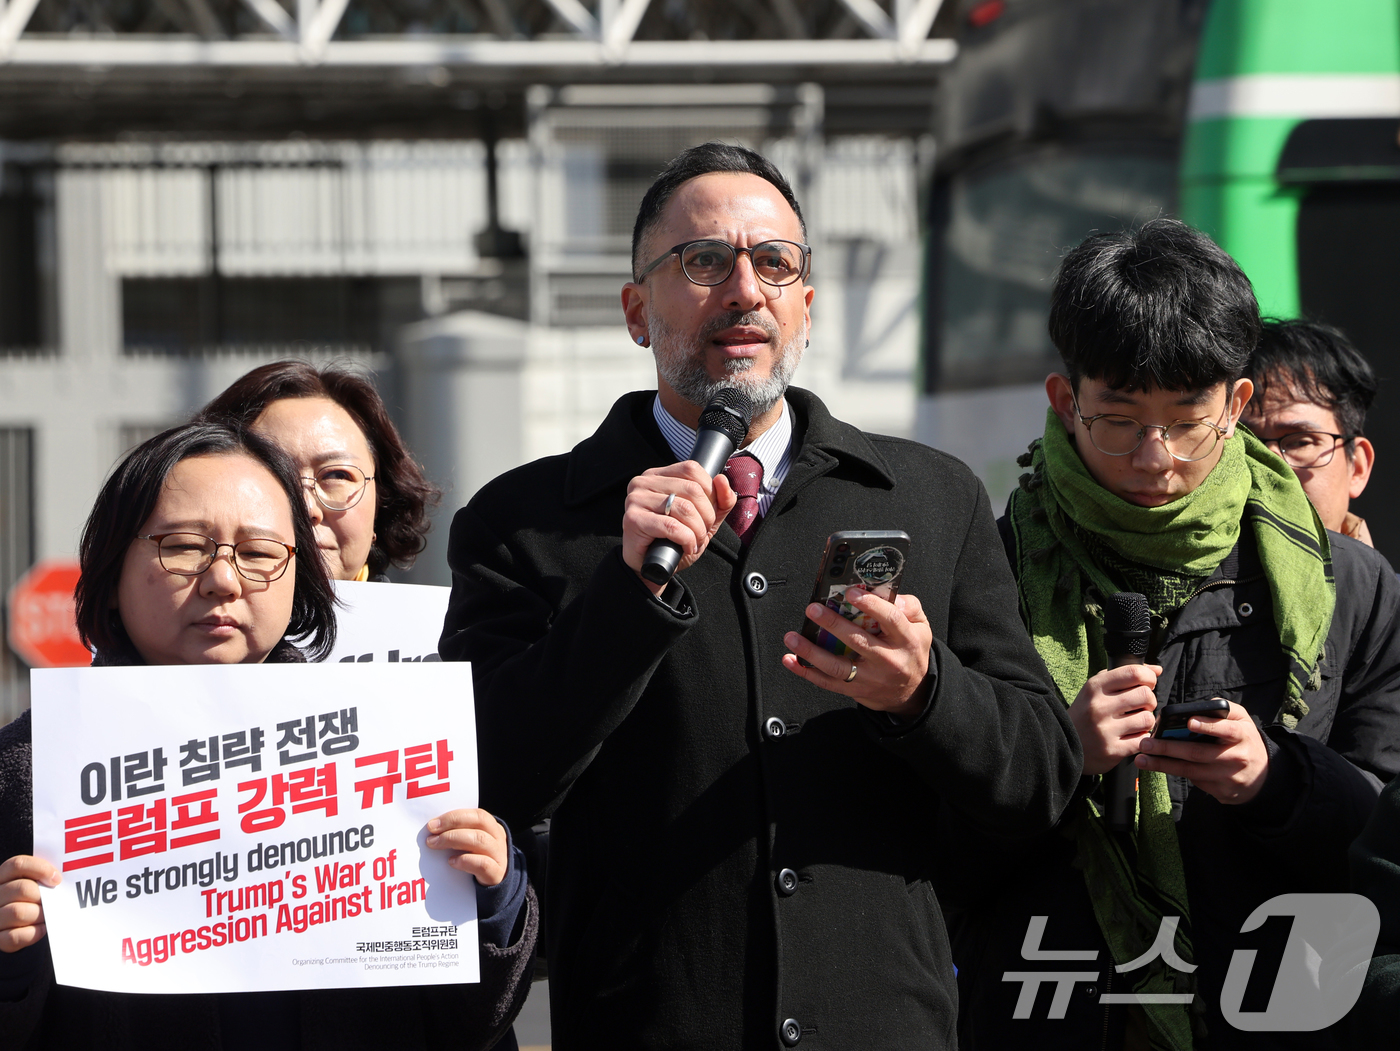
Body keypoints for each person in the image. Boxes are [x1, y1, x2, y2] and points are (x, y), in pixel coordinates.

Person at [439, 141, 1082, 1049]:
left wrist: (924, 694)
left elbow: (1041, 777)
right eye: (703, 262)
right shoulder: (527, 520)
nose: (744, 289)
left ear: (806, 308)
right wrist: (626, 597)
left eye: (774, 263)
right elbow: (486, 776)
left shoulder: (931, 497)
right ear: (635, 310)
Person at [952, 219, 1400, 1050]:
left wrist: (1275, 780)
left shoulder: (1348, 585)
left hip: (1279, 1013)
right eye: (1117, 421)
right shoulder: (988, 570)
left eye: (1187, 421)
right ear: (1066, 400)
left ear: (1234, 403)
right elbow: (928, 841)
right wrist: (1057, 754)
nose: (1154, 458)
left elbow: (1387, 844)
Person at [0, 422, 536, 1050]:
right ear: (113, 565)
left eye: (258, 553)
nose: (223, 580)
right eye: (183, 546)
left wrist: (495, 901)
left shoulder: (394, 741)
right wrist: (12, 960)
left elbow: (472, 1023)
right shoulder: (25, 774)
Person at [199, 360, 441, 582]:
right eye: (274, 473)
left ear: (381, 505)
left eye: (337, 475)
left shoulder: (432, 629)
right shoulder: (168, 628)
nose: (306, 509)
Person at [1241, 318, 1377, 546]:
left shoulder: (1383, 583)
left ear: (1357, 468)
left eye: (1300, 442)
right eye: (1246, 442)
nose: (1269, 464)